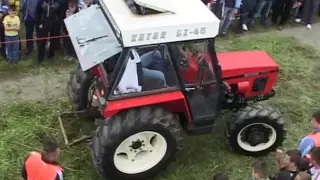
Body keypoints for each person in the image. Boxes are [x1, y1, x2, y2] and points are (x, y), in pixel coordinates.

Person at [35, 0, 61, 66]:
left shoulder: (57, 2)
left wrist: (58, 22)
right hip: (43, 23)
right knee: (41, 41)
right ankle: (40, 59)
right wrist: (39, 24)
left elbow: (60, 13)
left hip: (54, 23)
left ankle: (51, 56)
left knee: (53, 40)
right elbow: (37, 13)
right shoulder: (41, 2)